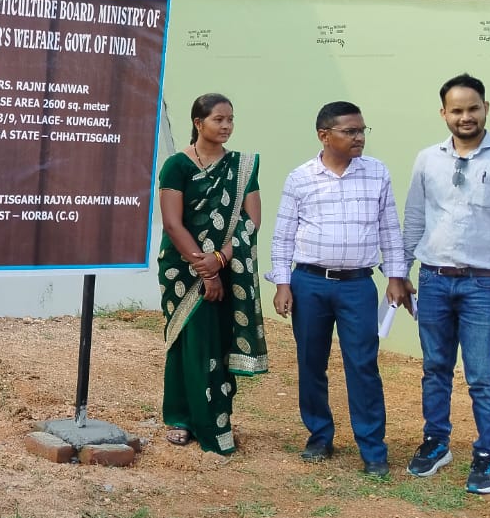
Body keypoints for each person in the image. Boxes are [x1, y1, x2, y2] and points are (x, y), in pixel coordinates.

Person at [403, 73, 490, 495]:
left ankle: (487, 455)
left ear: (486, 109)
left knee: (481, 375)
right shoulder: (428, 159)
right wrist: (400, 272)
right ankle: (436, 442)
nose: (466, 117)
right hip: (433, 280)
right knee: (435, 368)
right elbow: (414, 218)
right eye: (457, 110)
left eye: (473, 108)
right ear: (443, 113)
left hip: (483, 284)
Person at [268, 102, 410, 476]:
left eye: (362, 130)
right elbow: (283, 235)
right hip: (309, 283)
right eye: (350, 131)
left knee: (363, 365)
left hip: (357, 286)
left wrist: (395, 276)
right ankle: (319, 436)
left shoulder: (377, 172)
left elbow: (389, 229)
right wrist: (282, 283)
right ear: (324, 135)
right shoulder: (300, 178)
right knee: (311, 361)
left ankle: (373, 449)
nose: (359, 137)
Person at [155, 93, 268, 455]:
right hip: (183, 270)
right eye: (219, 119)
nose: (226, 126)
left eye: (230, 119)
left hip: (228, 267)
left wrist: (220, 259)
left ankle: (216, 418)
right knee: (189, 340)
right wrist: (204, 270)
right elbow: (172, 223)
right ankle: (181, 418)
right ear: (198, 123)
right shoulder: (177, 165)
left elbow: (251, 220)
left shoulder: (242, 167)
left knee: (217, 341)